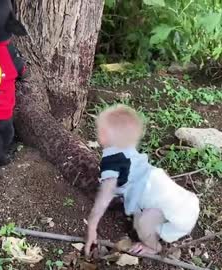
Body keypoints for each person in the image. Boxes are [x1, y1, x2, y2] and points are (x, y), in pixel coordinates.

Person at [85, 104, 200, 256]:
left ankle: (153, 247)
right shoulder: (127, 149)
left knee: (142, 223)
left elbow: (103, 199)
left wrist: (92, 227)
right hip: (169, 191)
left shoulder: (112, 163)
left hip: (171, 210)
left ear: (104, 135)